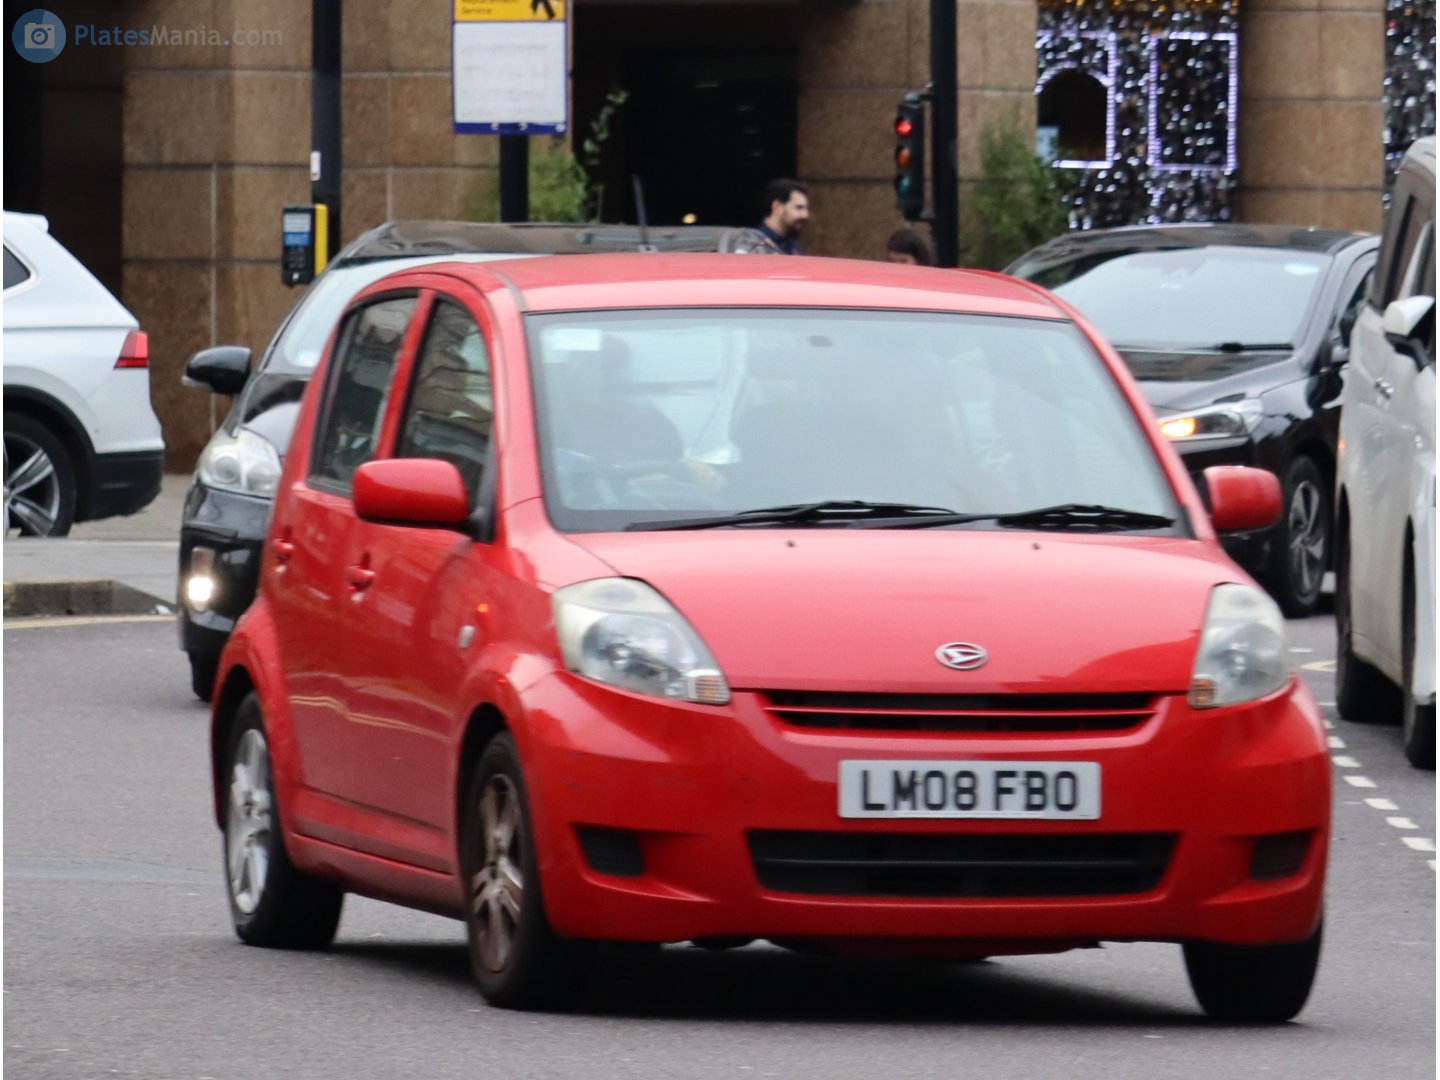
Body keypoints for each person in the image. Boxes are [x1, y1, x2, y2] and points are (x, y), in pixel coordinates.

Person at [754, 179, 810, 255]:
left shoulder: (796, 248)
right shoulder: (753, 244)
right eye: (798, 207)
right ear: (777, 206)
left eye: (806, 208)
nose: (805, 215)